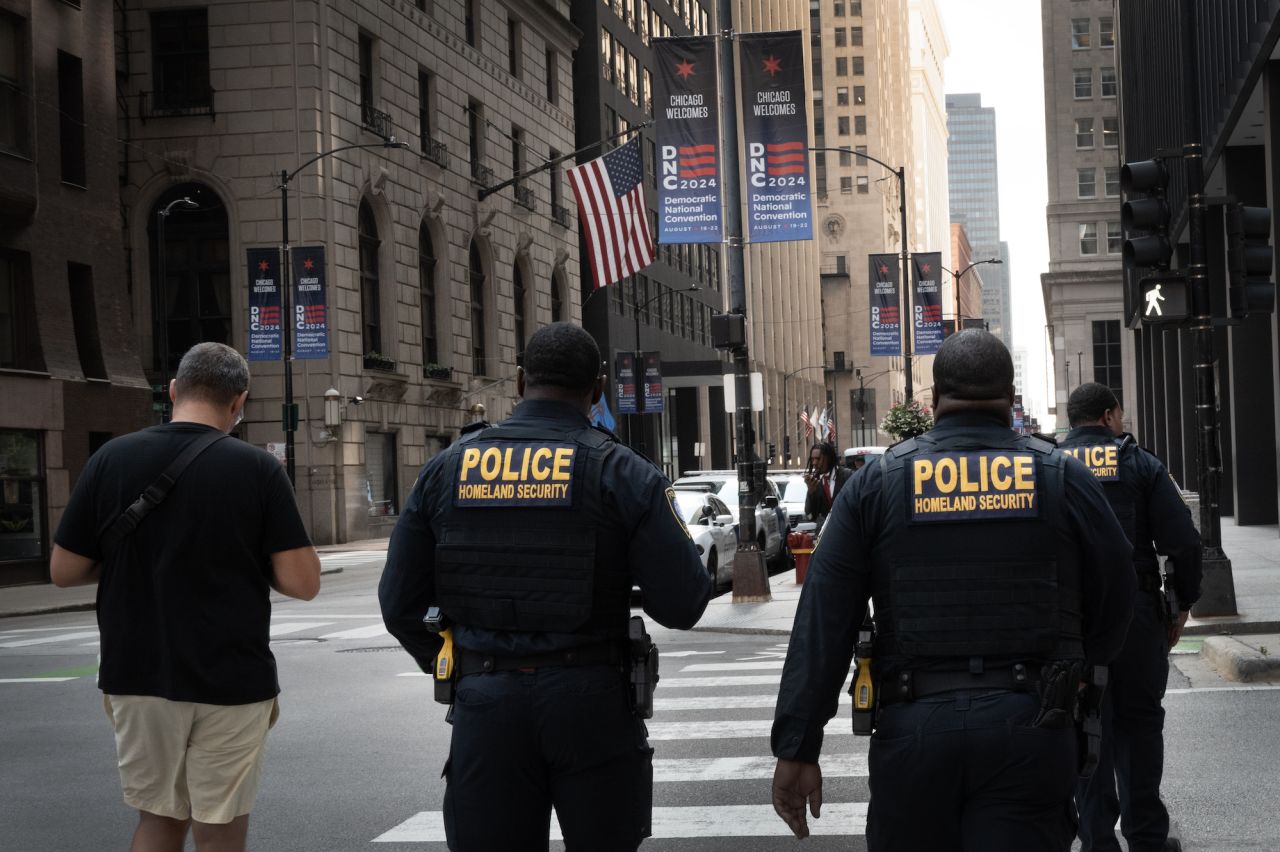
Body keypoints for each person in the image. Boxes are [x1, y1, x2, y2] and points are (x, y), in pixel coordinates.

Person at [770, 330, 1136, 851]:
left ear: (934, 399)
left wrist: (797, 745)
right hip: (1032, 725)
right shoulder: (1064, 478)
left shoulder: (877, 483)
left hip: (913, 729)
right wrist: (1081, 667)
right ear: (1012, 400)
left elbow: (824, 620)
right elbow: (1118, 590)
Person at [379, 322, 712, 852]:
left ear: (518, 382)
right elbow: (683, 603)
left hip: (485, 701)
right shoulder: (622, 472)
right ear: (597, 390)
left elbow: (398, 604)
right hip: (591, 701)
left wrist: (454, 663)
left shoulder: (447, 470)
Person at [50, 342, 321, 852]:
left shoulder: (111, 459)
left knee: (157, 820)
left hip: (137, 672)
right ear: (239, 401)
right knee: (219, 829)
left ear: (173, 391)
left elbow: (64, 570)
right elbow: (303, 583)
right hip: (232, 677)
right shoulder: (257, 470)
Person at [1063, 383, 1202, 852]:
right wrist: (1182, 604)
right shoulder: (1139, 463)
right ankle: (1146, 837)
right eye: (1119, 415)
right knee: (1140, 725)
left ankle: (1097, 839)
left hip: (1073, 623)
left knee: (1085, 723)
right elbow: (1183, 541)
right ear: (1107, 417)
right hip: (1137, 618)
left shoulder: (1050, 466)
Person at [803, 442, 851, 527]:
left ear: (828, 458)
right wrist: (811, 492)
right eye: (812, 459)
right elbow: (810, 516)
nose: (814, 463)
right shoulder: (814, 482)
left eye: (818, 459)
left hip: (847, 531)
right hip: (825, 535)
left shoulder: (847, 476)